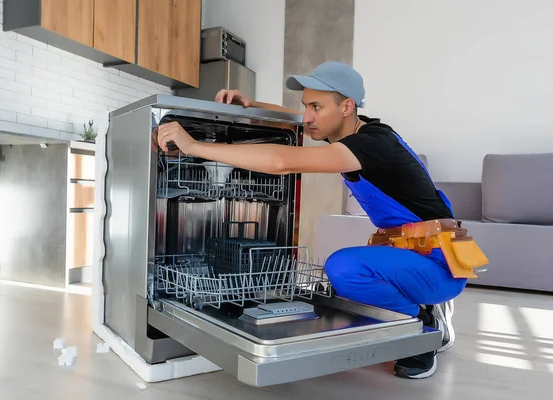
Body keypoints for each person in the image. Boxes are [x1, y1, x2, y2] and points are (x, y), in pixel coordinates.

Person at [157, 61, 487, 379]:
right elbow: (302, 121)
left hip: (440, 263)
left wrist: (194, 146)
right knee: (350, 293)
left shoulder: (371, 145)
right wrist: (252, 104)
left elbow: (280, 161)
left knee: (345, 268)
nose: (307, 116)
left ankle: (425, 327)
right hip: (413, 252)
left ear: (346, 106)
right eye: (306, 105)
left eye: (316, 106)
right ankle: (419, 305)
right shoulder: (357, 129)